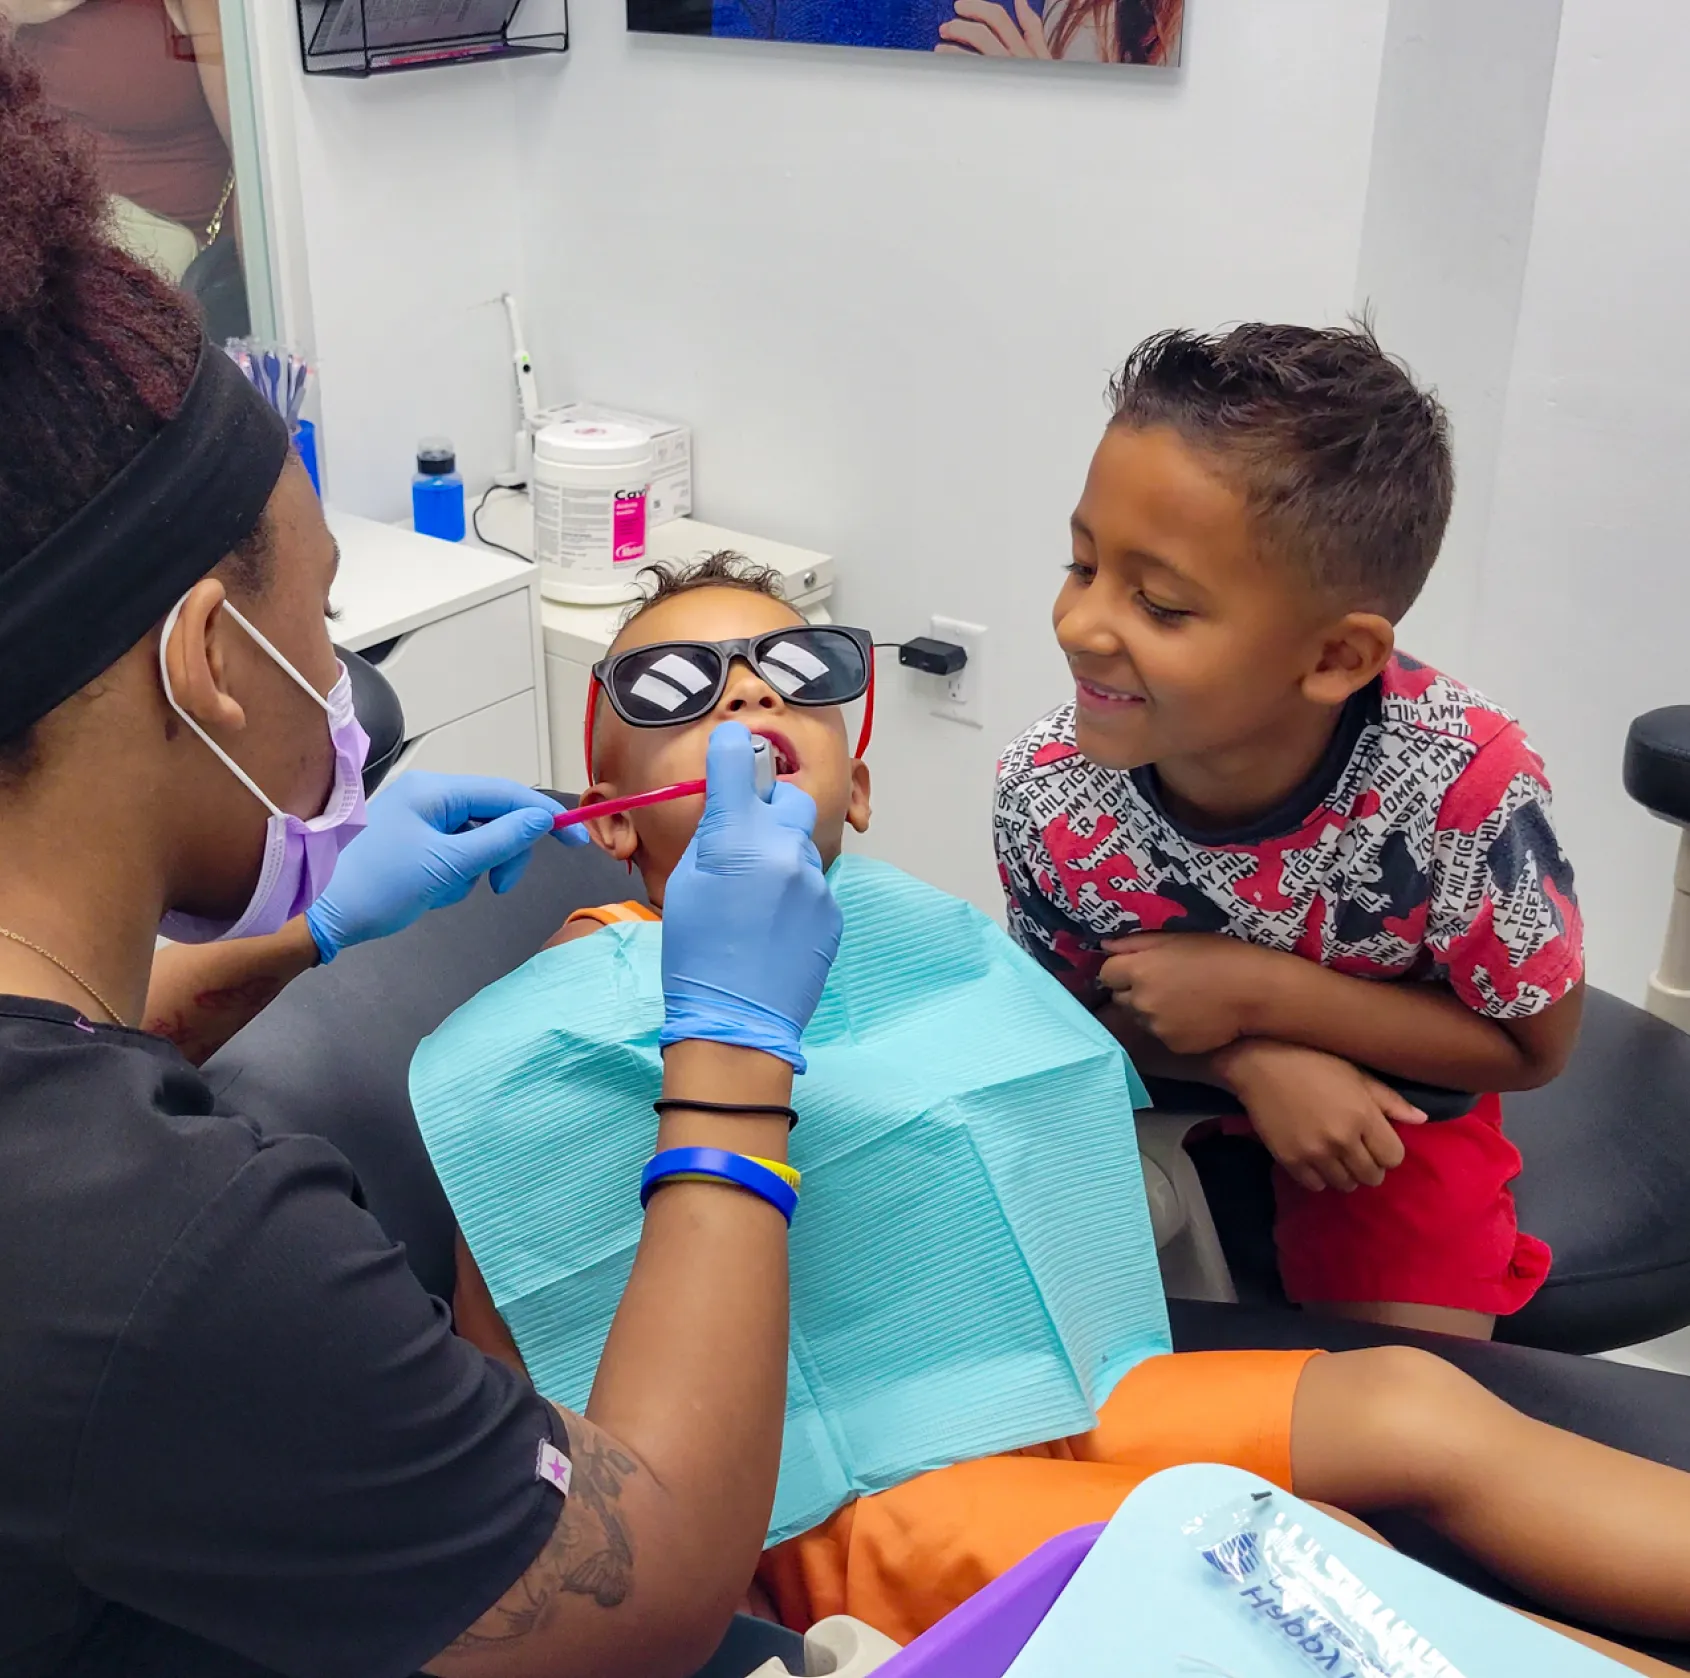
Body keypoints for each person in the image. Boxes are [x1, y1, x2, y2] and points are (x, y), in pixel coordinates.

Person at [452, 553, 1690, 1676]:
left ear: (865, 790)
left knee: (1415, 1407)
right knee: (1295, 1559)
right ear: (606, 815)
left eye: (791, 675)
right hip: (848, 1491)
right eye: (675, 689)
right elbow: (521, 1358)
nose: (745, 704)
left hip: (1060, 1387)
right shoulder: (550, 1025)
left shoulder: (912, 944)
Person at [0, 38, 841, 1678]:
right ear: (210, 662)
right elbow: (648, 1580)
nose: (345, 693)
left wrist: (287, 944)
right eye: (319, 622)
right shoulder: (180, 1249)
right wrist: (736, 1049)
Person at [995, 323, 1582, 1340]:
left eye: (1161, 605)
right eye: (1080, 563)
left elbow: (1528, 1048)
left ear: (1336, 656)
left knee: (1409, 1412)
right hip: (1153, 1085)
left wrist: (1257, 992)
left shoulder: (1465, 786)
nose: (1081, 624)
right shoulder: (1049, 795)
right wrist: (1248, 1058)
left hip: (1399, 1109)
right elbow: (1062, 1030)